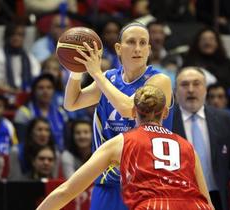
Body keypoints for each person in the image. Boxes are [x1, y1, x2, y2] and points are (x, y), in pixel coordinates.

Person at [37, 85, 214, 210]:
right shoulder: (187, 146)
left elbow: (66, 191)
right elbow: (206, 200)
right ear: (166, 112)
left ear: (133, 112)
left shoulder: (120, 142)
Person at [64, 22, 173, 210]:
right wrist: (76, 70)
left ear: (148, 49)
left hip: (147, 184)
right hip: (107, 182)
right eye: (131, 42)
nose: (137, 48)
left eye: (142, 43)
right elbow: (71, 103)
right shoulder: (109, 78)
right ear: (118, 48)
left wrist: (97, 74)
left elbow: (128, 108)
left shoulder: (160, 80)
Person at [172, 67, 230, 210]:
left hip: (217, 198)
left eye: (196, 84)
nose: (191, 89)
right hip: (180, 200)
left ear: (205, 89)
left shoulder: (225, 120)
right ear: (175, 92)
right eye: (184, 85)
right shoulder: (167, 122)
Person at [0, 20, 41, 93]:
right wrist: (14, 92)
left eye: (20, 35)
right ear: (6, 36)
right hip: (1, 97)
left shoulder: (30, 58)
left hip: (25, 96)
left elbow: (35, 79)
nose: (16, 38)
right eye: (13, 34)